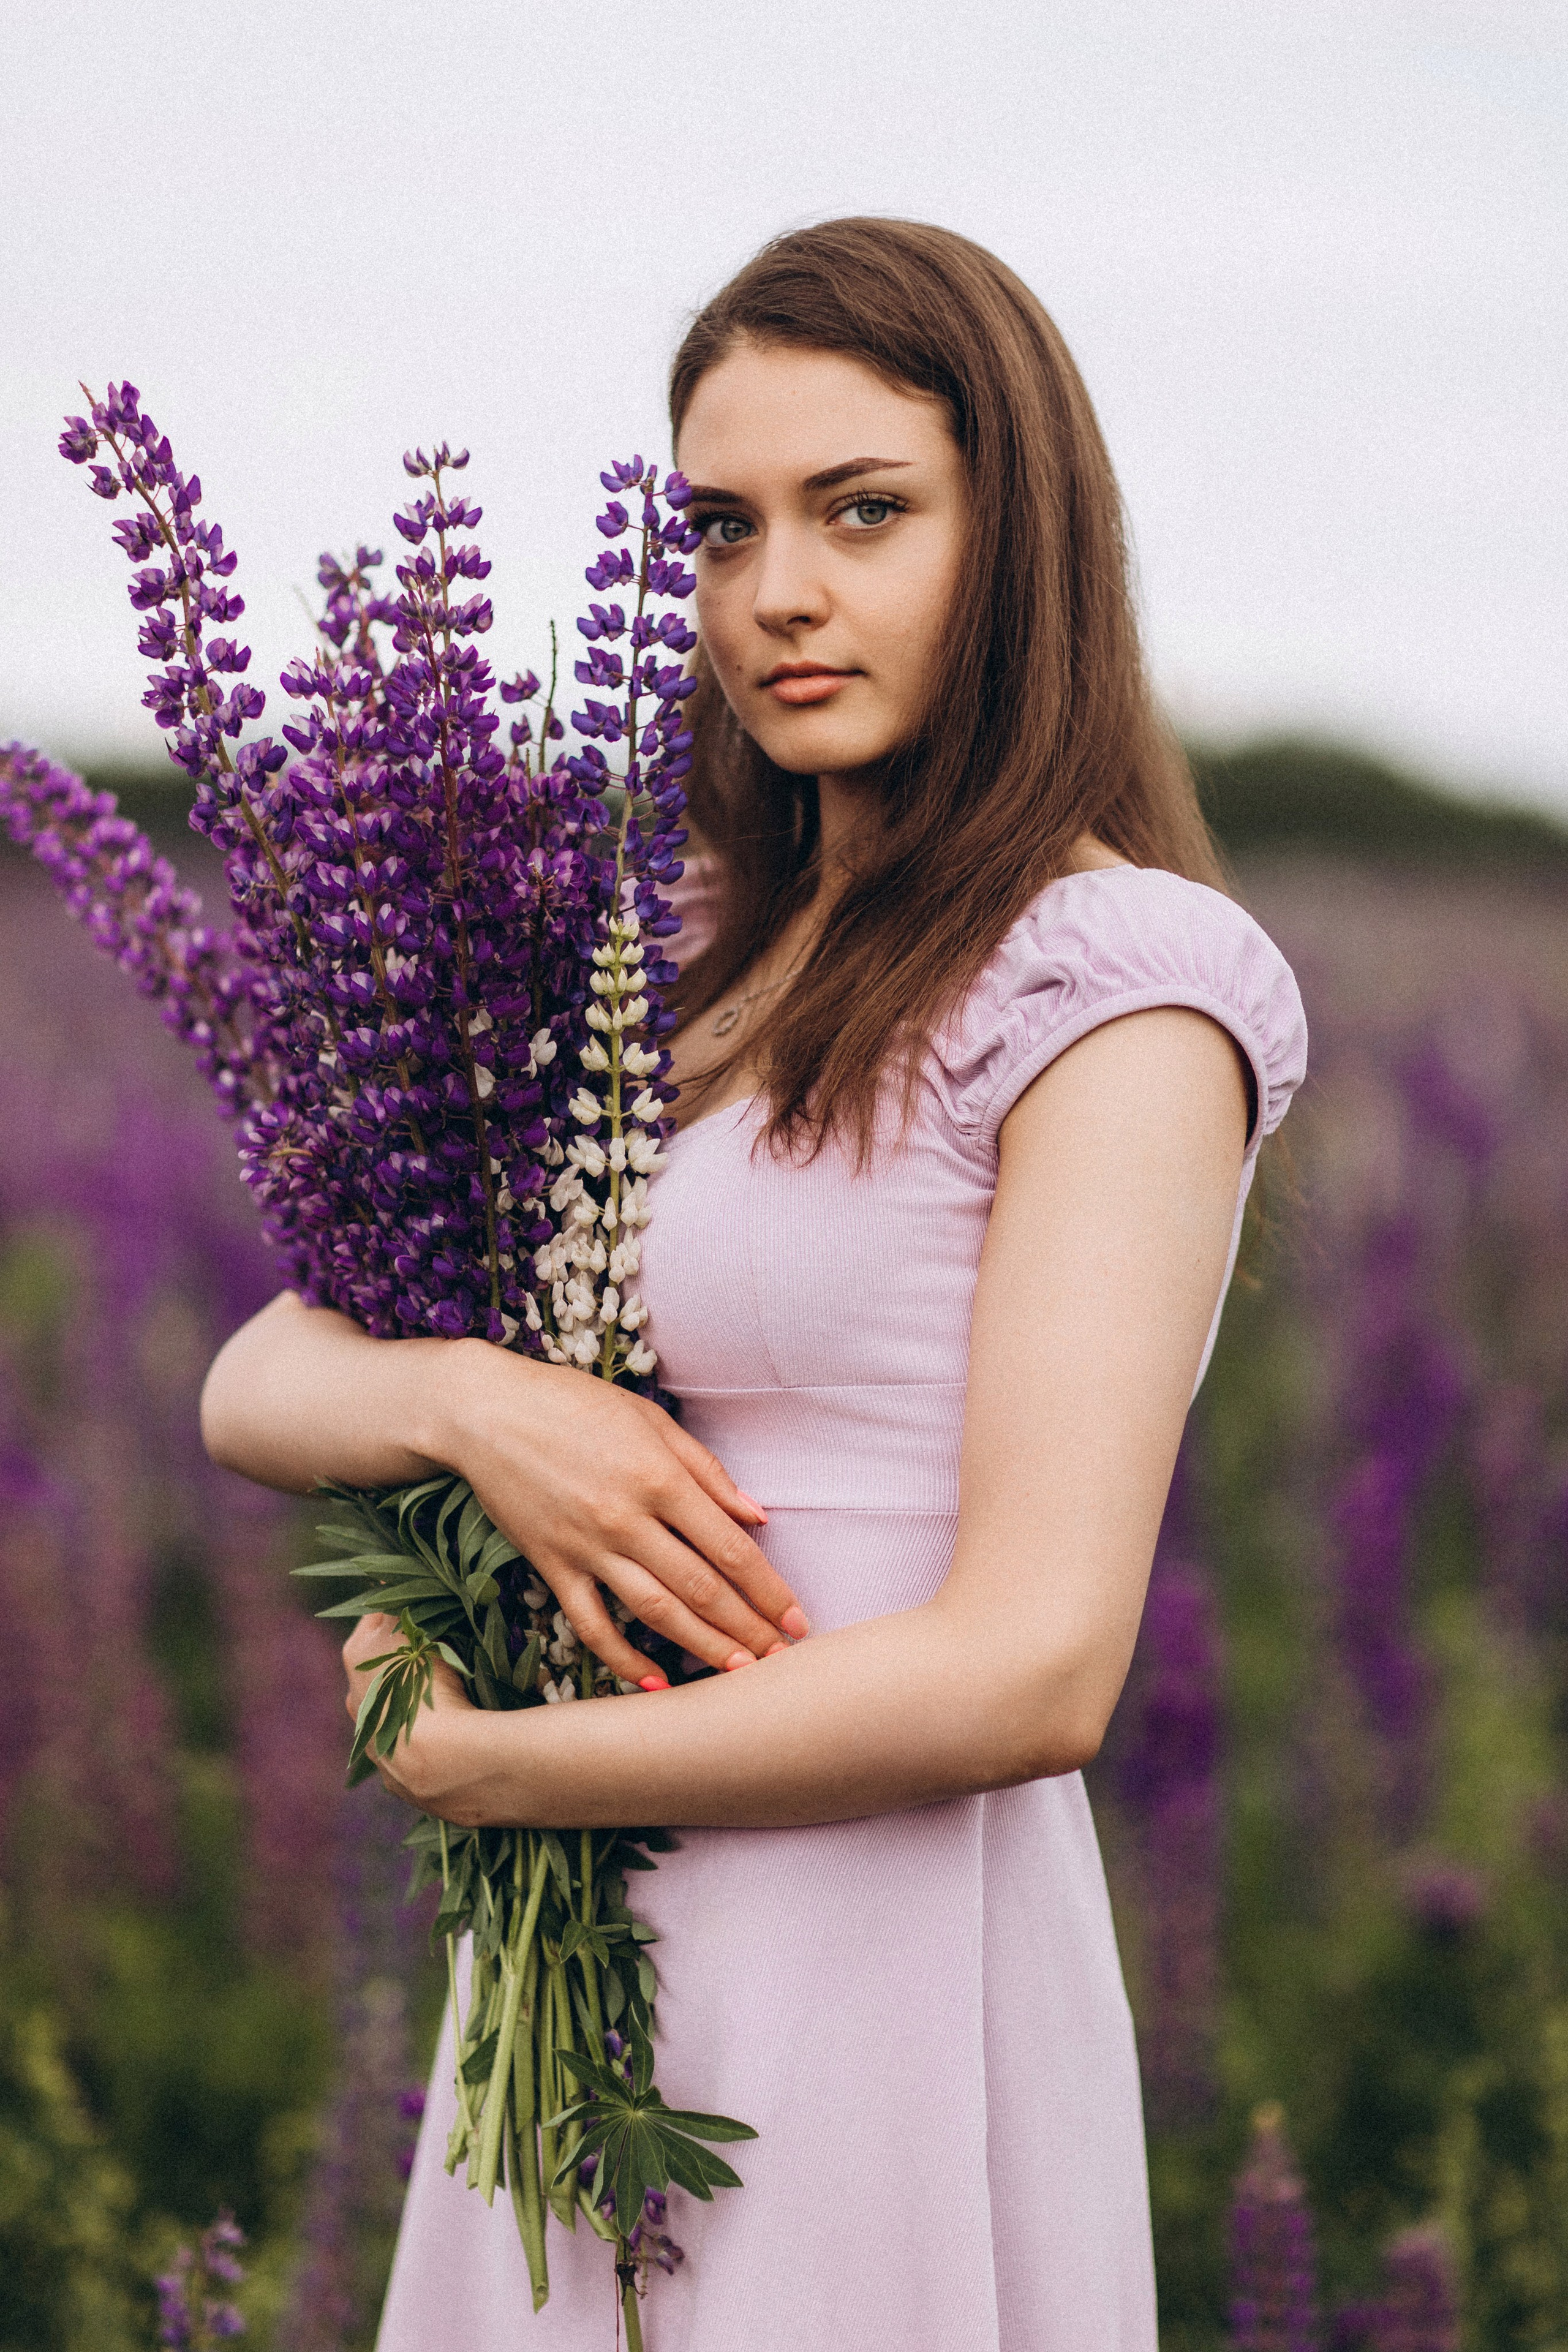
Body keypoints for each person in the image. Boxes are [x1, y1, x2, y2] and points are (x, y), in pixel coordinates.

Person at [202, 217, 1308, 2351]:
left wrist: (491, 1768)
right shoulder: (678, 941)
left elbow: (1037, 1671)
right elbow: (257, 1379)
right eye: (720, 527)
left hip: (876, 1943)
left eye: (866, 512)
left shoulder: (1124, 985)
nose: (774, 592)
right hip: (586, 1950)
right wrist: (477, 1407)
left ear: (1026, 539)